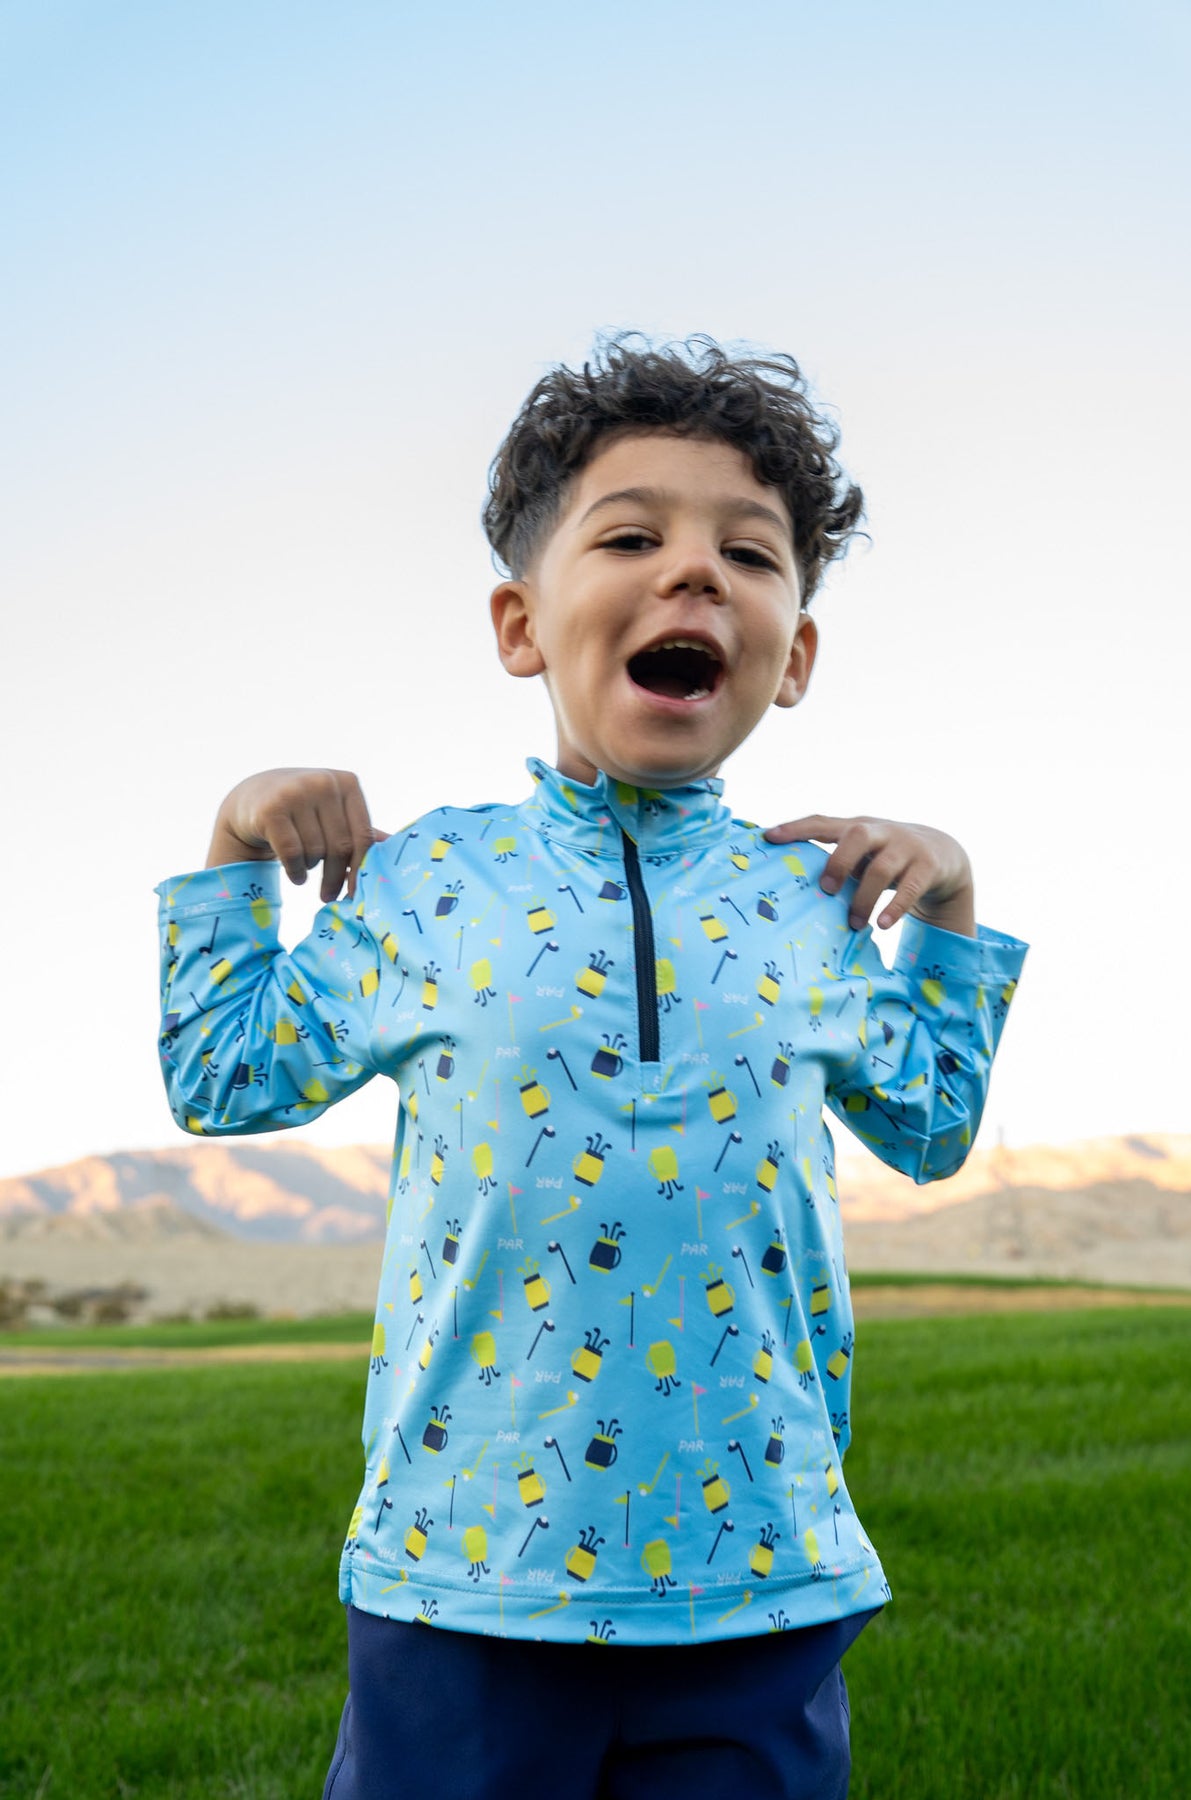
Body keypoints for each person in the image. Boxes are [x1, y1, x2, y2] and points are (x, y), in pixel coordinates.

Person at [156, 334, 1027, 1799]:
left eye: (747, 554)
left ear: (796, 655)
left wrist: (950, 907)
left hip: (762, 1578)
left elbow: (934, 1127)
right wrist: (237, 846)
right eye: (631, 538)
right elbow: (222, 1077)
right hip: (462, 1577)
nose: (694, 573)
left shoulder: (817, 906)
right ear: (522, 625)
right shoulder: (428, 885)